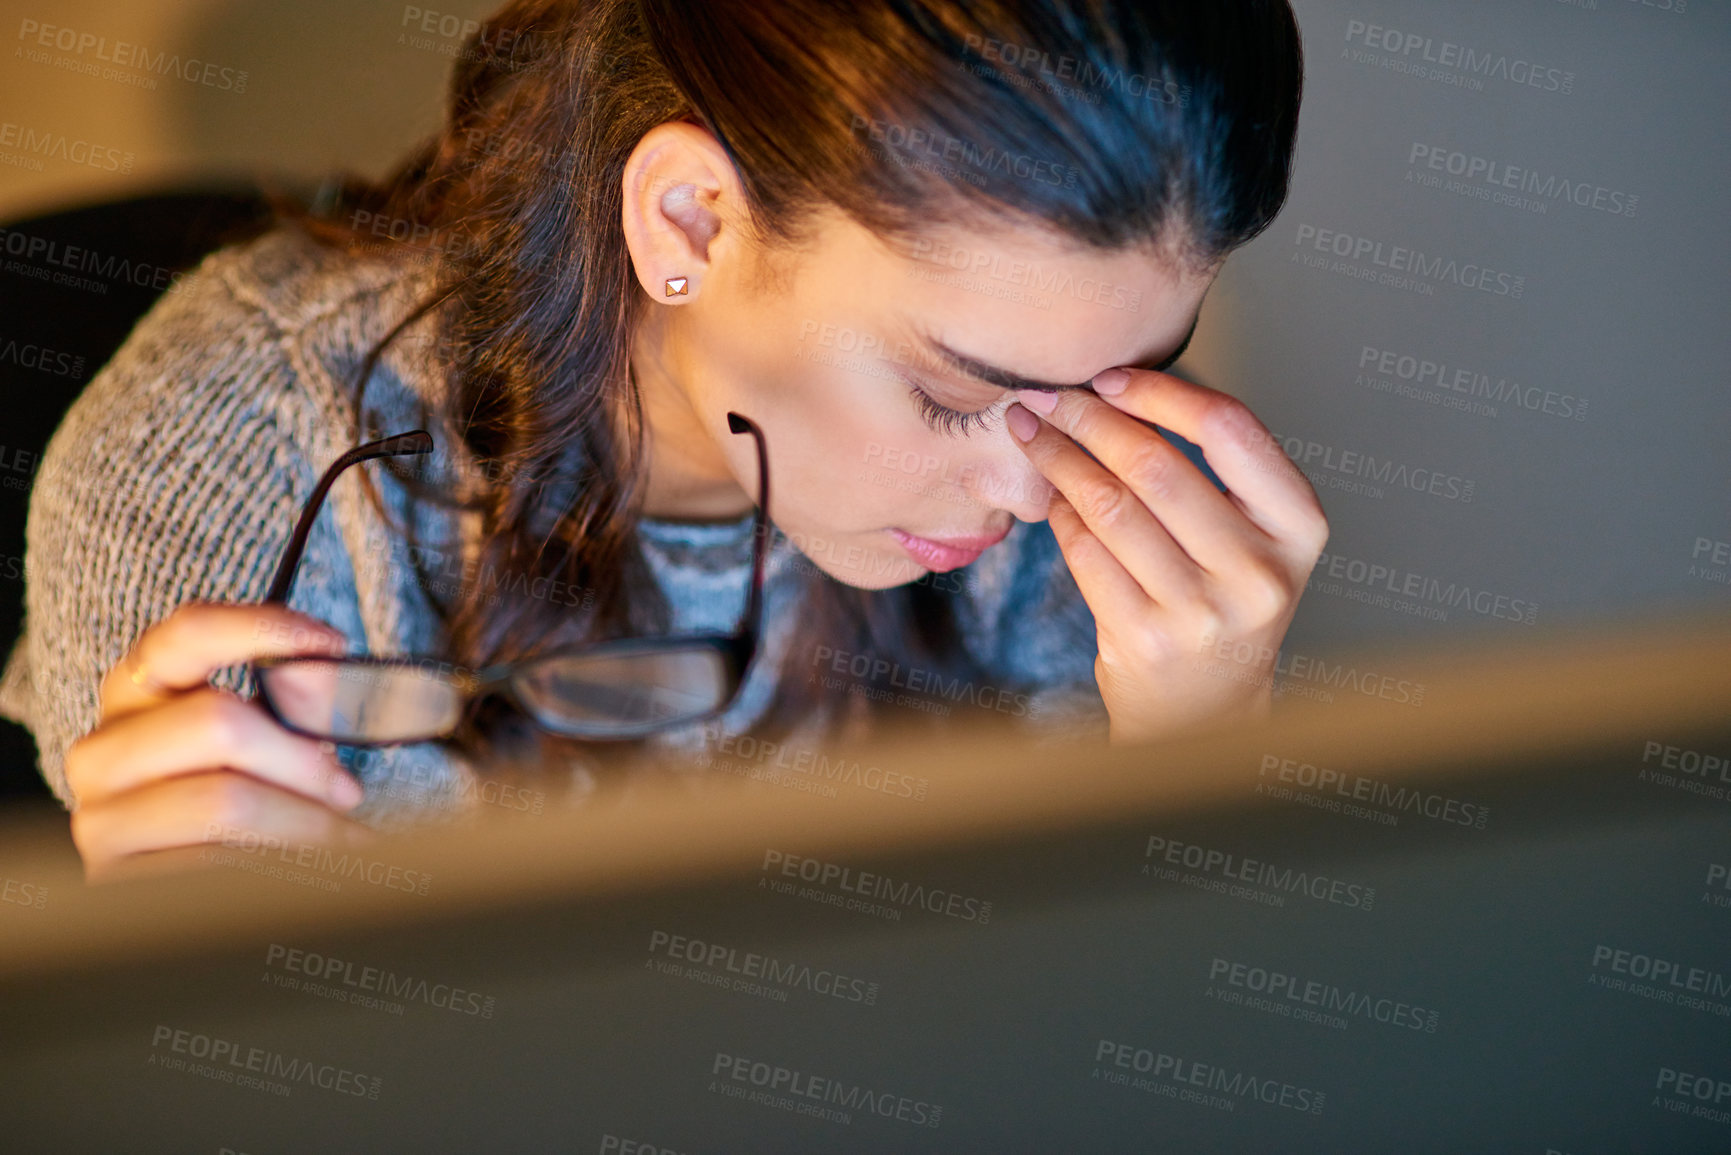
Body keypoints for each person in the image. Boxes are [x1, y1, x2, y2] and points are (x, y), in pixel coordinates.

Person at [0, 0, 1327, 881]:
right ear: (690, 220)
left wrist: (1201, 760)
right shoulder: (246, 463)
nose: (1033, 492)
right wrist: (202, 960)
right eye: (956, 393)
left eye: (1122, 382)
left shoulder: (1093, 538)